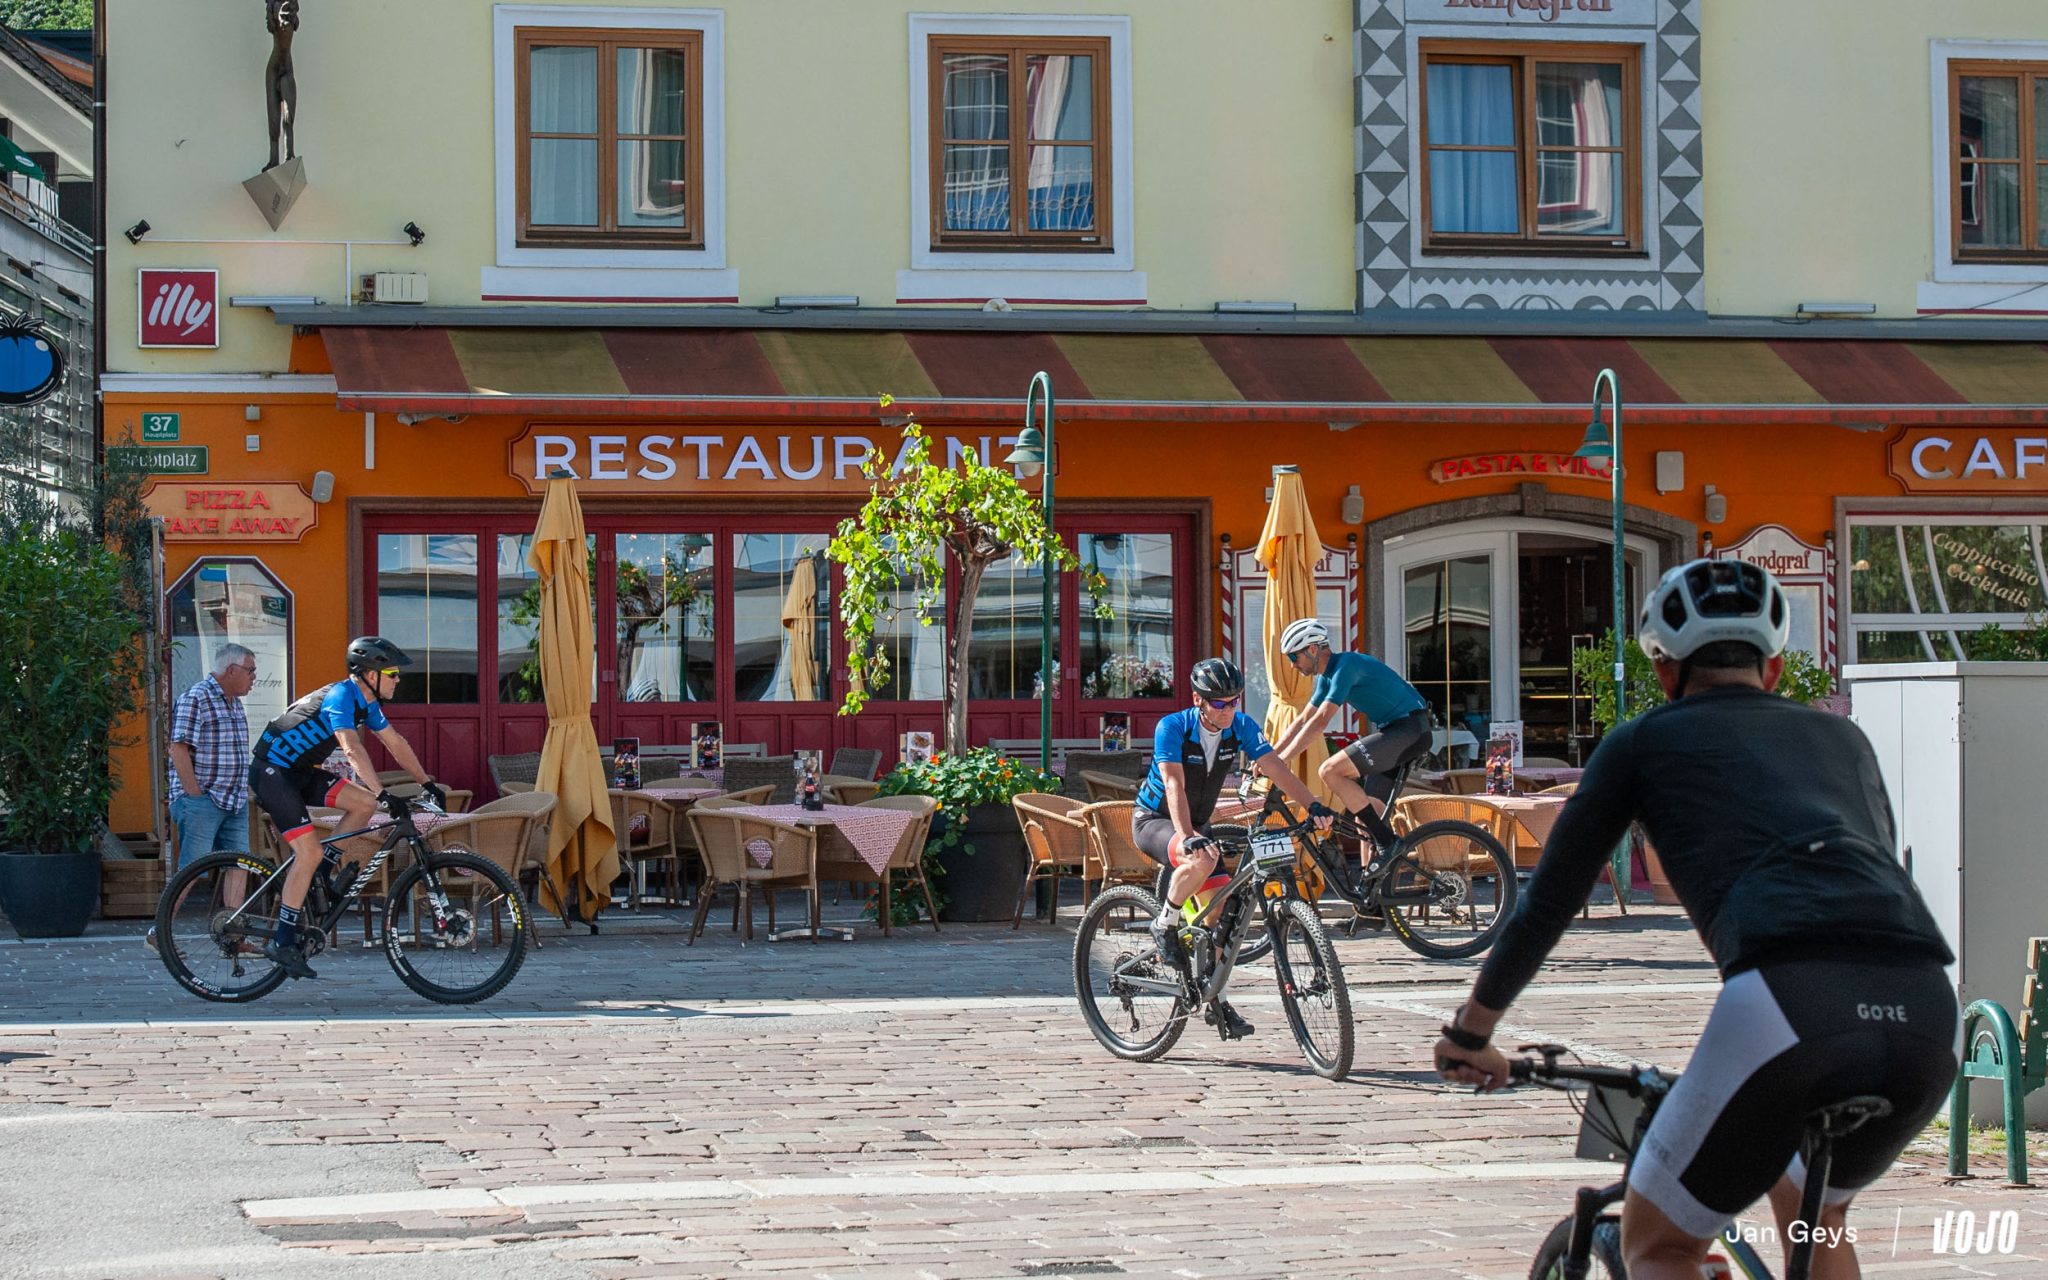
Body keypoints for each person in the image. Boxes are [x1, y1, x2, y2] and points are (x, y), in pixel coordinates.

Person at [1431, 560, 1958, 1280]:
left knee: (1661, 1246)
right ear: (1773, 667)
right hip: (1927, 1012)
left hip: (1786, 1004)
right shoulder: (1846, 741)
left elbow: (1548, 903)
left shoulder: (1643, 742)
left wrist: (1472, 1033)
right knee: (1818, 1214)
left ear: (1664, 671)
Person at [1132, 657, 1334, 1040]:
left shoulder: (1241, 726)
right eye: (1219, 703)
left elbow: (1277, 769)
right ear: (1198, 701)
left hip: (1200, 823)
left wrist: (1314, 805)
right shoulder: (1172, 727)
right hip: (1156, 820)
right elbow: (1173, 785)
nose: (1228, 709)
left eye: (1234, 700)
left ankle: (1215, 999)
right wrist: (1187, 834)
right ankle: (1165, 922)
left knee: (1224, 915)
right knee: (1203, 857)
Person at [248, 636, 444, 979]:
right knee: (307, 853)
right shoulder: (340, 696)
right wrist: (383, 792)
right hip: (273, 773)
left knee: (364, 805)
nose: (398, 680)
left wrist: (426, 782)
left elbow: (395, 743)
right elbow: (351, 749)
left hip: (301, 772)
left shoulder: (366, 703)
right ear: (369, 673)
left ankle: (320, 877)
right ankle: (282, 941)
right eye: (393, 673)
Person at [1266, 618, 1433, 849]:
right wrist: (1272, 756)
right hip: (1395, 731)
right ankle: (1373, 879)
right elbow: (1303, 719)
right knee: (1367, 819)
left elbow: (1319, 722)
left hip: (1410, 729)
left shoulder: (1347, 666)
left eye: (1294, 657)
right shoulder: (1326, 677)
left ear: (1313, 649)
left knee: (1329, 770)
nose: (1293, 665)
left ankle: (1389, 843)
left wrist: (1282, 760)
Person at [168, 644, 258, 871]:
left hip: (234, 800)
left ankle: (234, 909)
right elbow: (178, 749)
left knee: (240, 867)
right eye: (250, 670)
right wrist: (195, 796)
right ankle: (169, 908)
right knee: (192, 870)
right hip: (205, 799)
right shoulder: (197, 698)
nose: (254, 677)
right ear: (232, 670)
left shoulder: (234, 702)